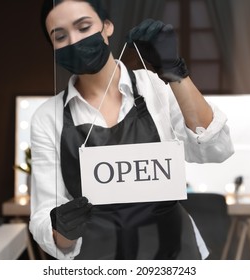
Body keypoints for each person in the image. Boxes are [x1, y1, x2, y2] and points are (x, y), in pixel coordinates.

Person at [29, 0, 234, 260]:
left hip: (175, 255)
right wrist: (61, 230)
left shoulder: (154, 86)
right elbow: (43, 216)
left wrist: (173, 72)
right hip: (98, 262)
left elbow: (217, 150)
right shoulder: (48, 117)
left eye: (83, 27)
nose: (74, 41)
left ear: (107, 26)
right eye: (60, 36)